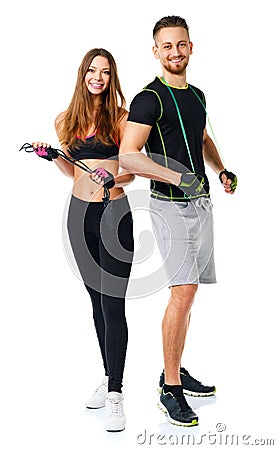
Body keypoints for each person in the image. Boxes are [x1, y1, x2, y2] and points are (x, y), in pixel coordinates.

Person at [109, 16, 237, 427]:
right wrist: (176, 176)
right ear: (155, 51)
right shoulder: (149, 99)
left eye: (181, 45)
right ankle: (170, 388)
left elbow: (201, 139)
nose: (175, 52)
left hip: (202, 205)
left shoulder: (197, 94)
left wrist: (220, 170)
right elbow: (129, 154)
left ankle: (177, 370)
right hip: (170, 207)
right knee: (181, 294)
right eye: (167, 46)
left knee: (190, 293)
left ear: (191, 48)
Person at [32, 48, 135, 432]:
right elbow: (69, 171)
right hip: (79, 216)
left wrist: (113, 178)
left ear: (111, 78)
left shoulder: (122, 119)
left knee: (114, 303)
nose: (98, 77)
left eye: (105, 72)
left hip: (114, 215)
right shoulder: (65, 119)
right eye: (92, 70)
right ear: (82, 74)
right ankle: (110, 377)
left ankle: (116, 394)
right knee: (95, 299)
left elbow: (131, 174)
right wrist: (52, 157)